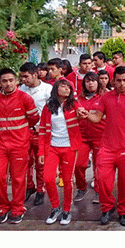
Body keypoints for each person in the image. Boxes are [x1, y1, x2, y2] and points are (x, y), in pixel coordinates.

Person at [81, 66, 125, 226]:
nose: (122, 84)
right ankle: (107, 207)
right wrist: (86, 115)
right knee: (102, 180)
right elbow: (97, 117)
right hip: (106, 148)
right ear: (113, 81)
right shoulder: (106, 98)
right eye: (118, 80)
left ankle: (124, 212)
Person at [0, 68, 40, 224]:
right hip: (0, 145)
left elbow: (33, 118)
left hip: (20, 144)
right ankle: (3, 207)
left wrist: (22, 132)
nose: (8, 84)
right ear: (0, 84)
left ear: (16, 81)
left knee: (18, 179)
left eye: (11, 80)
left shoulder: (25, 98)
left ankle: (17, 209)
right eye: (5, 81)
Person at [38, 79, 84, 225]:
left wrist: (82, 114)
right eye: (63, 86)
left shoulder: (74, 104)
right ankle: (55, 207)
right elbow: (42, 131)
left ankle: (66, 209)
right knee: (48, 178)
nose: (66, 89)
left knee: (68, 179)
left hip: (69, 147)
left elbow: (82, 114)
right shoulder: (48, 107)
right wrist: (40, 152)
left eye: (69, 87)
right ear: (56, 89)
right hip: (52, 147)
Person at [19, 62, 53, 206]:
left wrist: (44, 127)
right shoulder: (21, 89)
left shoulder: (48, 89)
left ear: (35, 74)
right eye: (21, 77)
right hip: (24, 132)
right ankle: (29, 187)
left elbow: (52, 111)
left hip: (41, 132)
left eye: (26, 76)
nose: (24, 80)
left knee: (41, 163)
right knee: (24, 162)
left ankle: (40, 189)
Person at [74, 72, 105, 204]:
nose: (90, 83)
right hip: (82, 137)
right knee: (79, 164)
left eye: (93, 81)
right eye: (87, 81)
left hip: (100, 136)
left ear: (98, 83)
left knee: (99, 166)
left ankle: (99, 191)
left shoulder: (104, 97)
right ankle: (81, 188)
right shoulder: (77, 100)